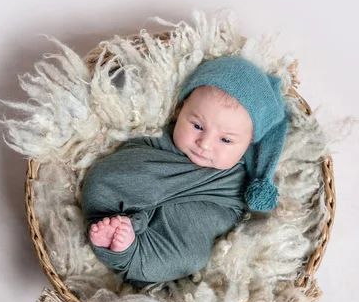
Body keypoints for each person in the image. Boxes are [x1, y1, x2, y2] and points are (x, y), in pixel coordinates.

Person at [80, 56, 289, 286]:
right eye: (197, 126)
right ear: (181, 109)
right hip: (135, 193)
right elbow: (127, 160)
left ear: (249, 144)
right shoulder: (161, 138)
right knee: (104, 178)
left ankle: (125, 250)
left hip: (183, 222)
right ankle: (118, 227)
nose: (205, 144)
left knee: (193, 255)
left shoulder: (238, 179)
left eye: (226, 140)